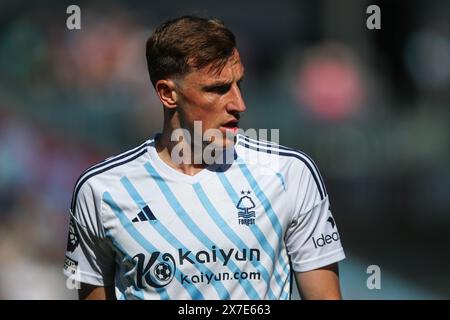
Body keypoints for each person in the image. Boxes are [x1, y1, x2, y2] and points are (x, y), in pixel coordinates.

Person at [63, 15, 345, 300]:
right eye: (218, 89)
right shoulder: (101, 190)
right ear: (167, 93)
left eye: (239, 84)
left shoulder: (289, 173)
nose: (239, 104)